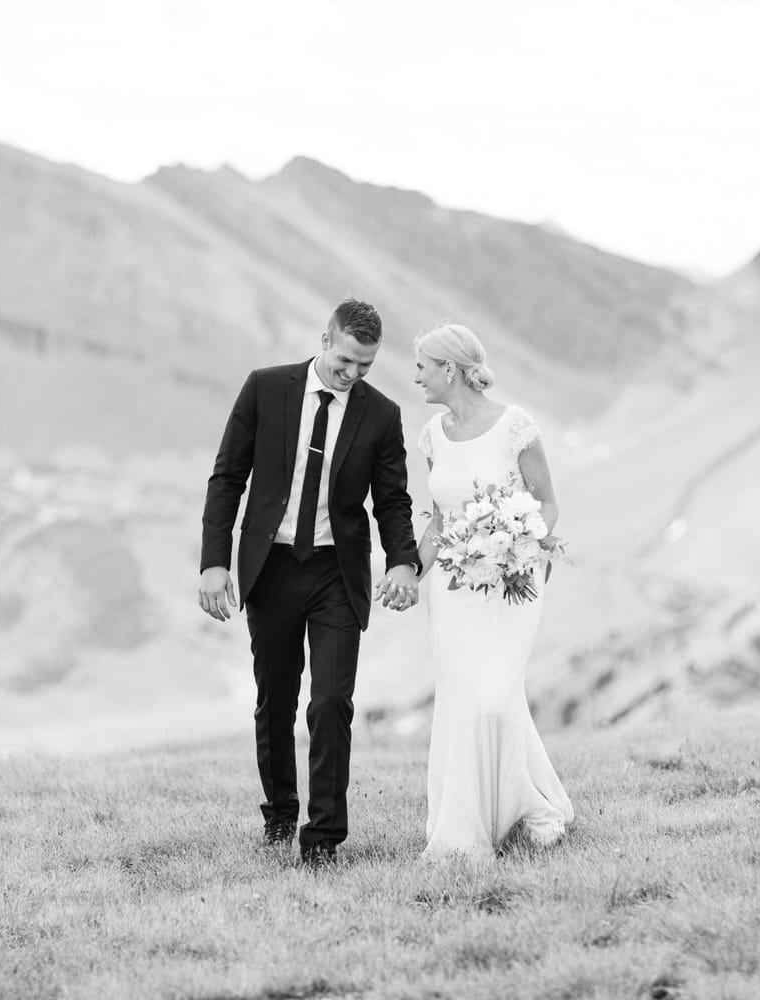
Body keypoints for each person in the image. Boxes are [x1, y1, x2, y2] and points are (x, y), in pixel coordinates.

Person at [199, 299, 422, 868]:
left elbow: (392, 500)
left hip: (335, 573)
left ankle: (323, 838)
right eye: (346, 360)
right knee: (276, 700)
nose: (352, 374)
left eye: (365, 367)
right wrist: (213, 562)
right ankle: (279, 814)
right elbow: (227, 478)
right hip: (270, 568)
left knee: (330, 702)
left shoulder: (381, 415)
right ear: (326, 338)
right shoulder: (265, 388)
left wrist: (402, 560)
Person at [412, 322, 575, 859]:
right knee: (462, 701)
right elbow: (438, 520)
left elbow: (546, 502)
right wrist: (410, 572)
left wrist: (523, 543)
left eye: (423, 367)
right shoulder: (432, 436)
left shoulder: (514, 426)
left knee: (494, 695)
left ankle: (527, 803)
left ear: (450, 370)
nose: (417, 378)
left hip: (512, 585)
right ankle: (468, 822)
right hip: (454, 590)